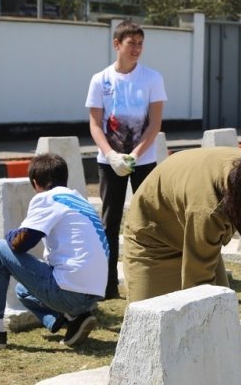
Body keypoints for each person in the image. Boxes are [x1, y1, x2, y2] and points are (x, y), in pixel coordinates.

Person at [122, 147, 241, 303]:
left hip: (189, 222)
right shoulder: (210, 210)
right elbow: (198, 287)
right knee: (150, 325)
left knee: (222, 310)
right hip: (152, 238)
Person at [0, 153, 108, 349]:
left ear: (35, 183)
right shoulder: (80, 201)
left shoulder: (47, 198)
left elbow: (20, 244)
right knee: (22, 291)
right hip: (93, 295)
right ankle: (73, 318)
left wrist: (11, 234)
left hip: (69, 292)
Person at [85, 19, 166, 299]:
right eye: (131, 43)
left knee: (148, 219)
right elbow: (95, 124)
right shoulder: (100, 79)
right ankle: (107, 285)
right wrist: (111, 155)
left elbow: (154, 124)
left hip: (142, 160)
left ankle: (150, 279)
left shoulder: (152, 78)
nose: (137, 49)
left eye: (140, 44)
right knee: (110, 221)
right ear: (117, 44)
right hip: (109, 162)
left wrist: (133, 155)